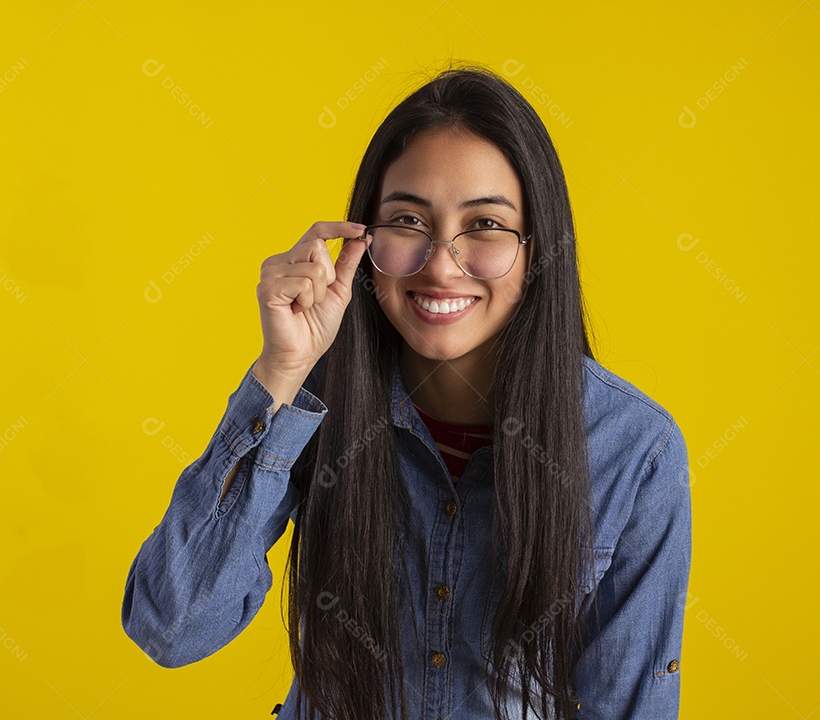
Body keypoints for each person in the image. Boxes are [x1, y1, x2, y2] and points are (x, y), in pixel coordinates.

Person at [121, 63, 692, 720]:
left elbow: (628, 707)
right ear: (361, 241)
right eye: (408, 222)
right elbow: (172, 628)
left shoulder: (634, 447)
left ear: (537, 249)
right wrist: (278, 377)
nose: (442, 264)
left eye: (485, 225)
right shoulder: (315, 404)